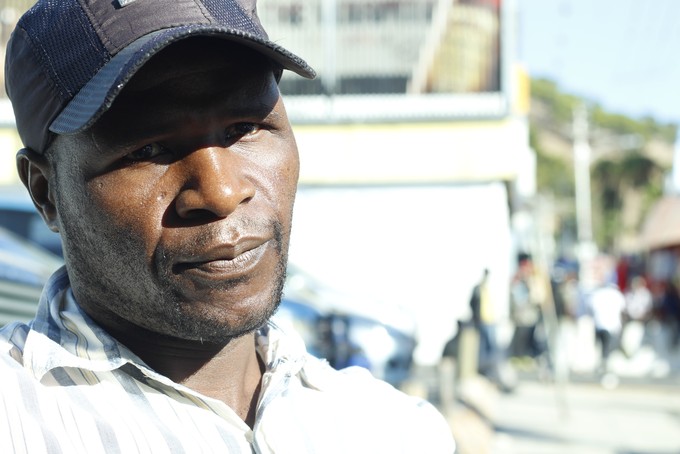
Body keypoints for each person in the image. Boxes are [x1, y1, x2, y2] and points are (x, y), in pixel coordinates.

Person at [0, 1, 455, 452]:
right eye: (149, 149)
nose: (220, 192)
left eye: (244, 128)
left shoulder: (392, 430)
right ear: (45, 192)